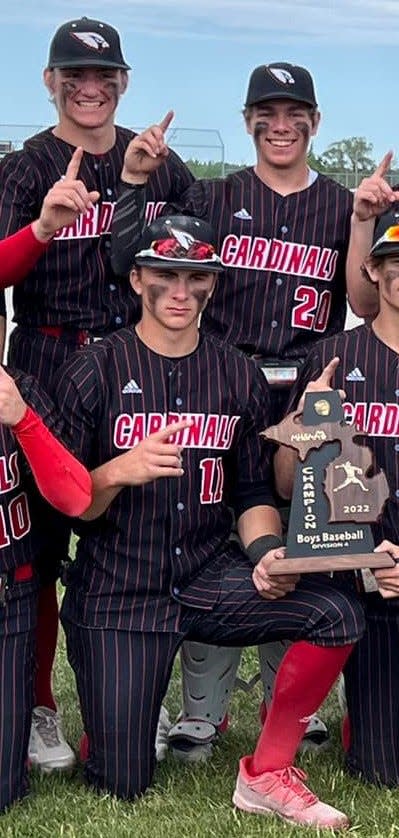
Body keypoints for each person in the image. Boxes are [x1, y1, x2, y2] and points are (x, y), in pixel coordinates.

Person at [53, 213, 365, 827]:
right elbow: (70, 505)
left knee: (336, 613)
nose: (180, 291)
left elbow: (250, 490)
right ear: (137, 277)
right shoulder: (93, 369)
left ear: (212, 284)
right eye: (165, 274)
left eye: (196, 276)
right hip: (119, 589)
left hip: (204, 574)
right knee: (122, 782)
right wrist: (117, 471)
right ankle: (121, 717)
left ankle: (268, 771)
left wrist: (265, 553)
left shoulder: (234, 372)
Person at [110, 61, 377, 759]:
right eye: (266, 112)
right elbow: (130, 256)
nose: (280, 125)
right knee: (210, 534)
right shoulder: (213, 193)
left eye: (295, 113)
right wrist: (136, 180)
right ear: (247, 120)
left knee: (303, 533)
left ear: (315, 123)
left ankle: (289, 697)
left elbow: (365, 302)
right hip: (222, 376)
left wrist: (360, 224)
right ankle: (203, 712)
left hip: (303, 382)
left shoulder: (338, 203)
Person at [0, 14, 194, 771]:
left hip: (126, 363)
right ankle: (42, 708)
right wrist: (46, 225)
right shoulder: (25, 167)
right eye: (74, 75)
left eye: (104, 75)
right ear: (50, 82)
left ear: (123, 84)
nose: (90, 87)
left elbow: (189, 269)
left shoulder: (158, 162)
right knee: (39, 544)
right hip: (45, 358)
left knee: (134, 528)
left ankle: (133, 701)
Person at [273, 202, 399, 787]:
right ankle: (361, 719)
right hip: (368, 580)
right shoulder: (332, 358)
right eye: (394, 259)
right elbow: (283, 485)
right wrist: (301, 432)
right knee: (382, 772)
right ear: (372, 270)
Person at [0, 362, 92, 812]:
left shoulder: (20, 385)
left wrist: (22, 418)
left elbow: (76, 497)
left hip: (9, 595)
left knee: (4, 790)